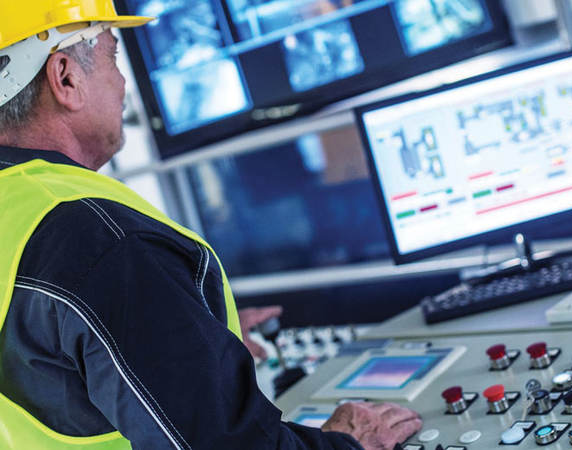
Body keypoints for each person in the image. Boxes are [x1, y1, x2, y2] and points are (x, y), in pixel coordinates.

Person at [0, 1, 423, 449]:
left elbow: (45, 362)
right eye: (113, 57)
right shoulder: (104, 242)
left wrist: (182, 325)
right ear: (65, 77)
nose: (123, 82)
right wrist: (349, 442)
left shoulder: (22, 212)